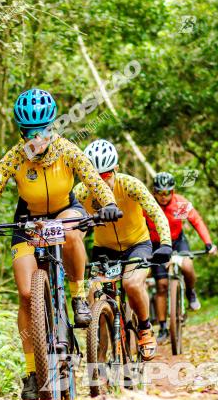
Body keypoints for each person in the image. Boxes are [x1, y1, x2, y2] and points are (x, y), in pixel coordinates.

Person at [0, 89, 122, 400]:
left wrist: (110, 203)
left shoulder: (67, 150)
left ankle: (76, 297)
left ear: (53, 128)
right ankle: (33, 372)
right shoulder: (14, 158)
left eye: (45, 130)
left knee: (73, 233)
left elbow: (94, 182)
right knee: (25, 292)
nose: (40, 138)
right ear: (23, 132)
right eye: (32, 133)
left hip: (65, 211)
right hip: (28, 220)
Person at [74, 140, 172, 360]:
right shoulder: (81, 192)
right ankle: (98, 346)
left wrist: (165, 243)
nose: (102, 181)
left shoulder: (130, 185)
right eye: (96, 176)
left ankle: (145, 329)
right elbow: (77, 226)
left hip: (137, 245)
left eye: (107, 174)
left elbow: (156, 213)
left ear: (116, 169)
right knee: (93, 291)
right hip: (104, 249)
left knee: (131, 283)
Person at [146, 171, 218, 343]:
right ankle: (163, 327)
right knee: (161, 285)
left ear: (173, 191)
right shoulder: (147, 205)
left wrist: (208, 243)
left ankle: (191, 293)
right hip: (156, 245)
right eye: (159, 193)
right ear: (154, 192)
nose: (163, 197)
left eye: (167, 192)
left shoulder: (180, 204)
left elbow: (197, 221)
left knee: (187, 266)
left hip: (177, 241)